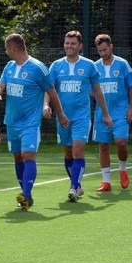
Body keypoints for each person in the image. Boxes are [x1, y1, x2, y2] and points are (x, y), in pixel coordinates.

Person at [0, 33, 68, 210]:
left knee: (28, 155)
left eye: (6, 48)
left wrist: (60, 114)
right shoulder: (9, 67)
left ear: (12, 48)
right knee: (18, 157)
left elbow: (52, 92)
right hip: (12, 122)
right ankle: (26, 195)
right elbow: (0, 85)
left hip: (30, 123)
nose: (6, 52)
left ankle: (26, 194)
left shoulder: (37, 67)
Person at [44, 31, 111, 202]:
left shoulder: (89, 65)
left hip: (81, 117)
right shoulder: (56, 66)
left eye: (73, 43)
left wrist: (105, 114)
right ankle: (77, 185)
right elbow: (49, 89)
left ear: (80, 46)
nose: (69, 46)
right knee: (68, 153)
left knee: (78, 151)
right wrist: (46, 105)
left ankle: (73, 187)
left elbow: (98, 91)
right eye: (67, 43)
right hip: (63, 117)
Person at [92, 34, 132, 191]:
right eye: (100, 51)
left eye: (105, 50)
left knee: (120, 142)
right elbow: (91, 89)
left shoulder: (122, 64)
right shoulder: (94, 67)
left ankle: (123, 169)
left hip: (120, 112)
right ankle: (106, 182)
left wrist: (131, 107)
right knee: (103, 145)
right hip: (101, 114)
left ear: (111, 46)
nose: (102, 53)